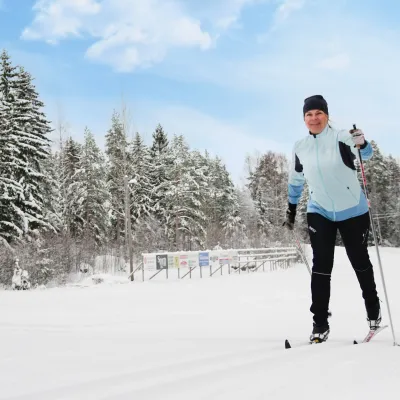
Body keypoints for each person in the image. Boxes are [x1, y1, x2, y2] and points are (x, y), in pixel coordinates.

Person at [283, 94, 381, 343]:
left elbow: (365, 153)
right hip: (320, 210)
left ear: (327, 115)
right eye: (309, 114)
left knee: (359, 261)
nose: (313, 118)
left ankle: (373, 312)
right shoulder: (300, 147)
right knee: (321, 266)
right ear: (304, 119)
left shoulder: (341, 136)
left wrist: (362, 141)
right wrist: (291, 209)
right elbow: (296, 180)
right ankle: (319, 324)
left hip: (352, 210)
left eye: (318, 113)